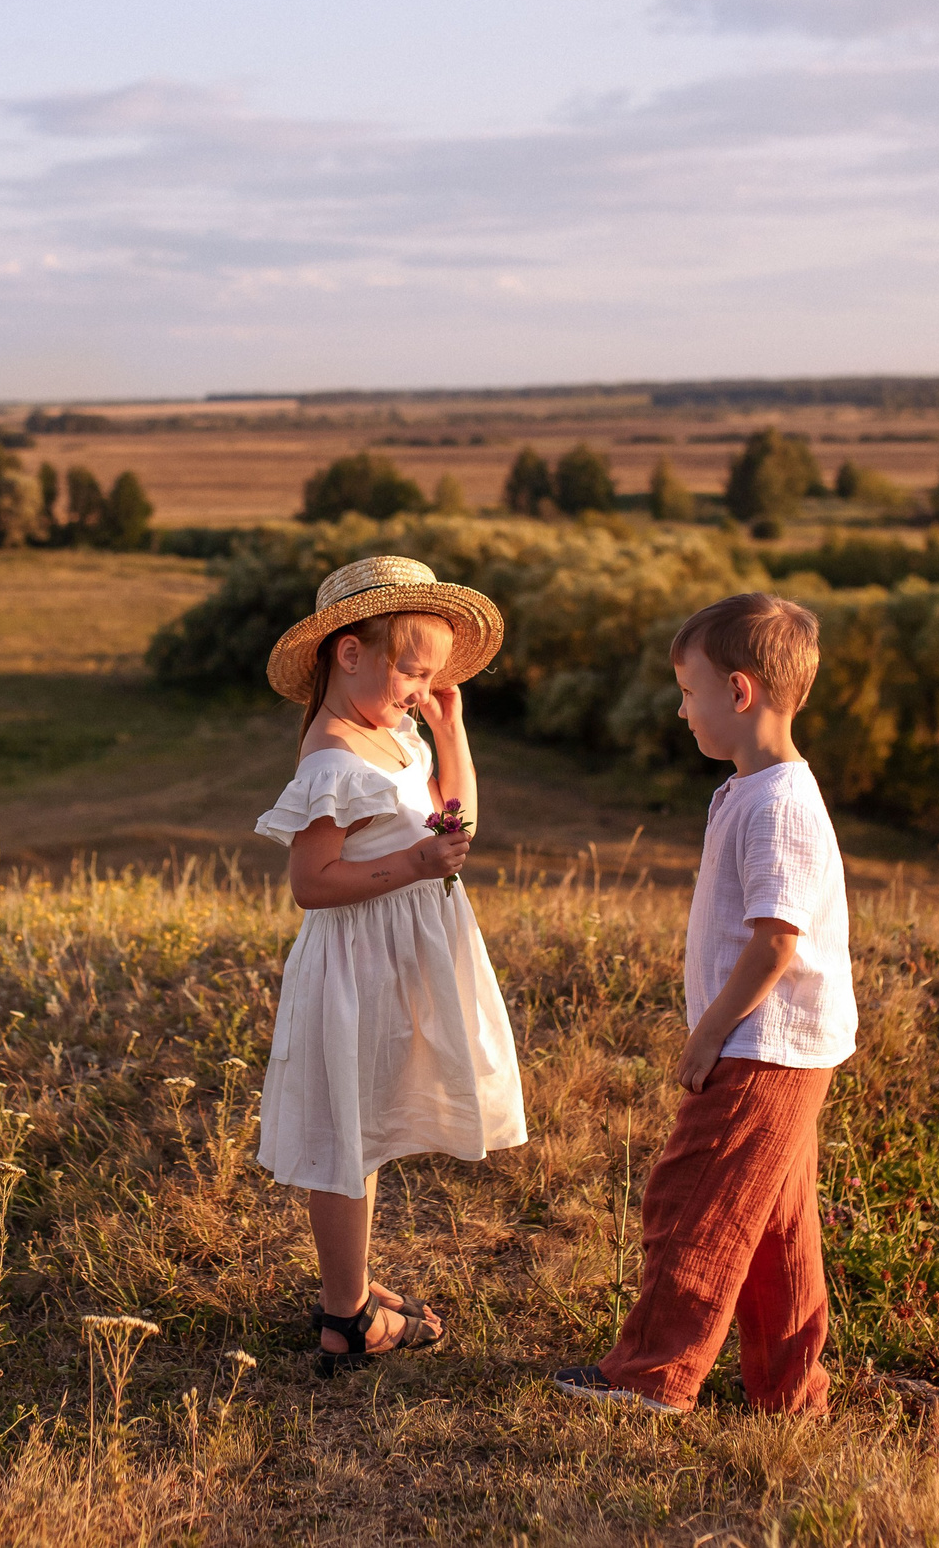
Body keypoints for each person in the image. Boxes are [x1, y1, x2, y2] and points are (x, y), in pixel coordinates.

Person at [553, 591, 856, 1415]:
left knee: (691, 1202)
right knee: (774, 1228)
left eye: (688, 693)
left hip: (762, 1046)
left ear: (739, 690)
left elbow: (775, 941)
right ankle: (790, 1395)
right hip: (785, 1046)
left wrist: (708, 1035)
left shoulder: (778, 803)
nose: (681, 710)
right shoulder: (753, 790)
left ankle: (652, 1375)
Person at [254, 555, 529, 1377]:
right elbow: (311, 883)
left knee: (369, 1120)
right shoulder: (334, 757)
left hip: (406, 953)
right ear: (349, 655)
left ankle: (357, 1291)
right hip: (356, 964)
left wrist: (451, 735)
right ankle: (347, 1316)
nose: (422, 689)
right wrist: (412, 866)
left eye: (432, 676)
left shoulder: (398, 732)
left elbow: (456, 825)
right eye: (413, 671)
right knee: (348, 1132)